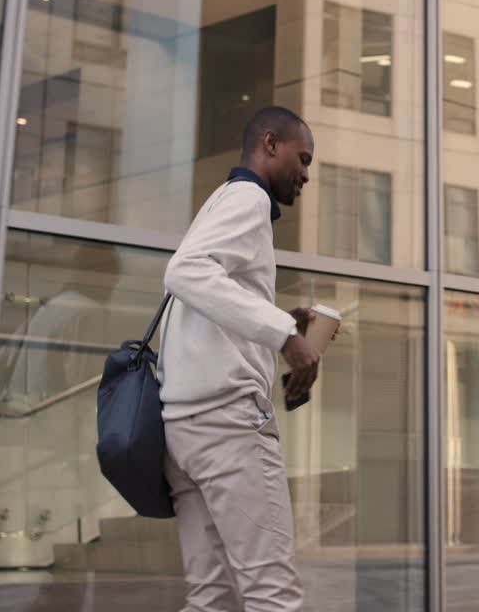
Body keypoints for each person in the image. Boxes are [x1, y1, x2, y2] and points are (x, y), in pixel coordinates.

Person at [158, 105, 320, 611]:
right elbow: (186, 272)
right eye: (303, 157)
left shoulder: (220, 201)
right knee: (273, 596)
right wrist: (284, 336)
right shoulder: (247, 197)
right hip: (227, 427)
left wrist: (276, 321)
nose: (306, 175)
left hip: (184, 433)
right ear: (270, 143)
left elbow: (204, 288)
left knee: (213, 599)